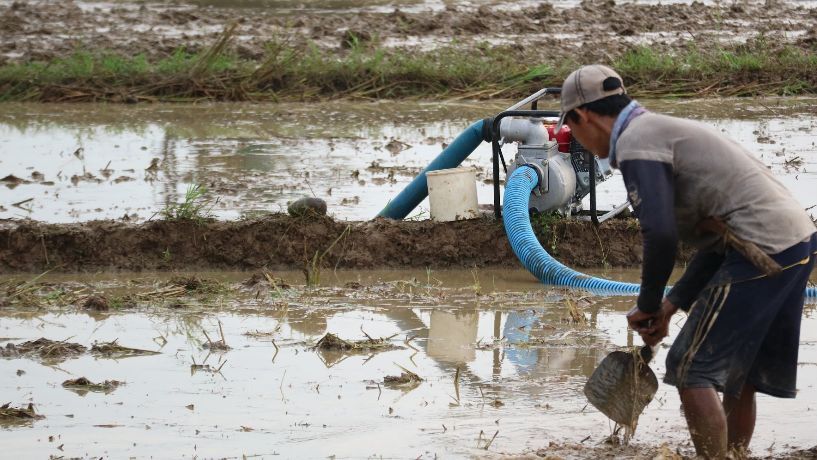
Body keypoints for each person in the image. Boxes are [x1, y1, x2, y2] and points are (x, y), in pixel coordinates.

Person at [554, 64, 817, 458]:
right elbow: (716, 243)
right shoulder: (656, 130)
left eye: (571, 128)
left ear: (584, 115)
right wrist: (669, 306)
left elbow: (659, 234)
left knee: (691, 368)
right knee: (735, 374)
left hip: (761, 247)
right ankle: (734, 455)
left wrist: (646, 306)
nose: (576, 138)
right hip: (794, 243)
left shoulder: (636, 142)